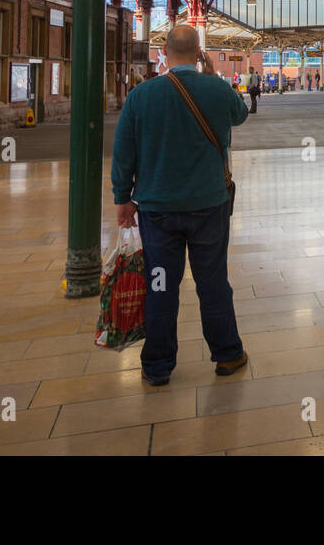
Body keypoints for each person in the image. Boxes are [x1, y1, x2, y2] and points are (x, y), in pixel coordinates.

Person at [111, 25, 249, 387]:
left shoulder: (142, 95)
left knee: (160, 286)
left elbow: (123, 151)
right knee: (213, 283)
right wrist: (211, 74)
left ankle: (157, 366)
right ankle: (228, 354)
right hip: (209, 206)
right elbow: (239, 114)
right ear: (200, 51)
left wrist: (122, 197)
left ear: (164, 52)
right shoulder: (217, 88)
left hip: (158, 211)